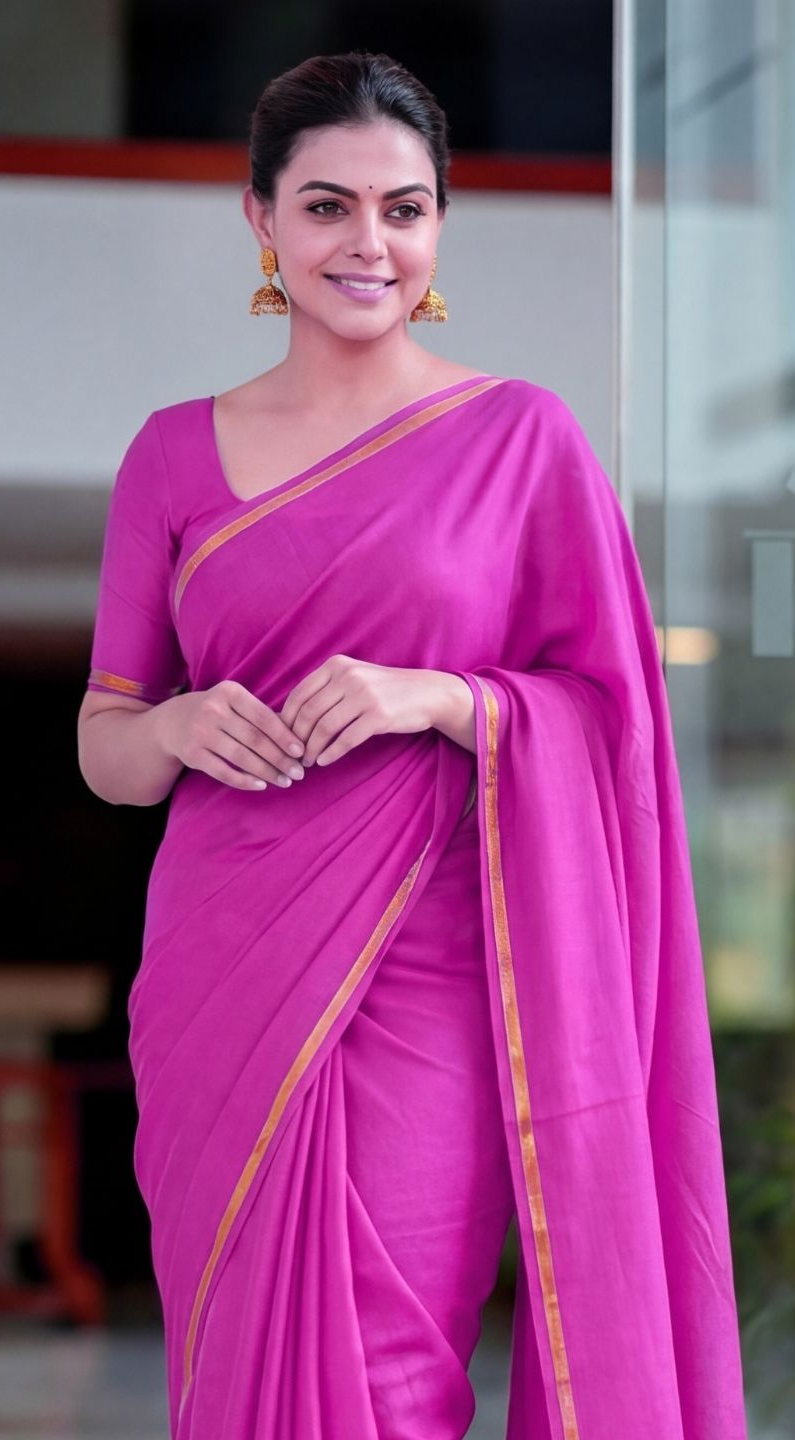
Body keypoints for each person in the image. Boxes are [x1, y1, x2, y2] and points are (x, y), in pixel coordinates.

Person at [77, 50, 748, 1440]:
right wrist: (179, 723)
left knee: (395, 1364)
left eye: (404, 208)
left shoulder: (522, 441)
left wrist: (443, 699)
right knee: (230, 1352)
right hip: (221, 959)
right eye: (327, 206)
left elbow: (612, 717)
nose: (367, 244)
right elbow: (106, 743)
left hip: (429, 965)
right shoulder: (171, 457)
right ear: (261, 219)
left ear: (440, 226)